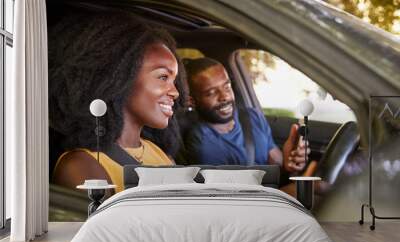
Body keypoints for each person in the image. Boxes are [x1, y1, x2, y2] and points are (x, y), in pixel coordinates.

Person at [49, 11, 188, 194]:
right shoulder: (82, 167)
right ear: (119, 78)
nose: (175, 92)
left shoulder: (159, 153)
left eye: (174, 80)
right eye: (163, 77)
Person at [183, 58, 315, 194]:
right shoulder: (203, 143)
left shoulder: (251, 117)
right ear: (192, 101)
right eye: (211, 93)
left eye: (227, 87)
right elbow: (236, 201)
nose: (224, 96)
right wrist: (297, 190)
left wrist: (290, 163)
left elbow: (276, 163)